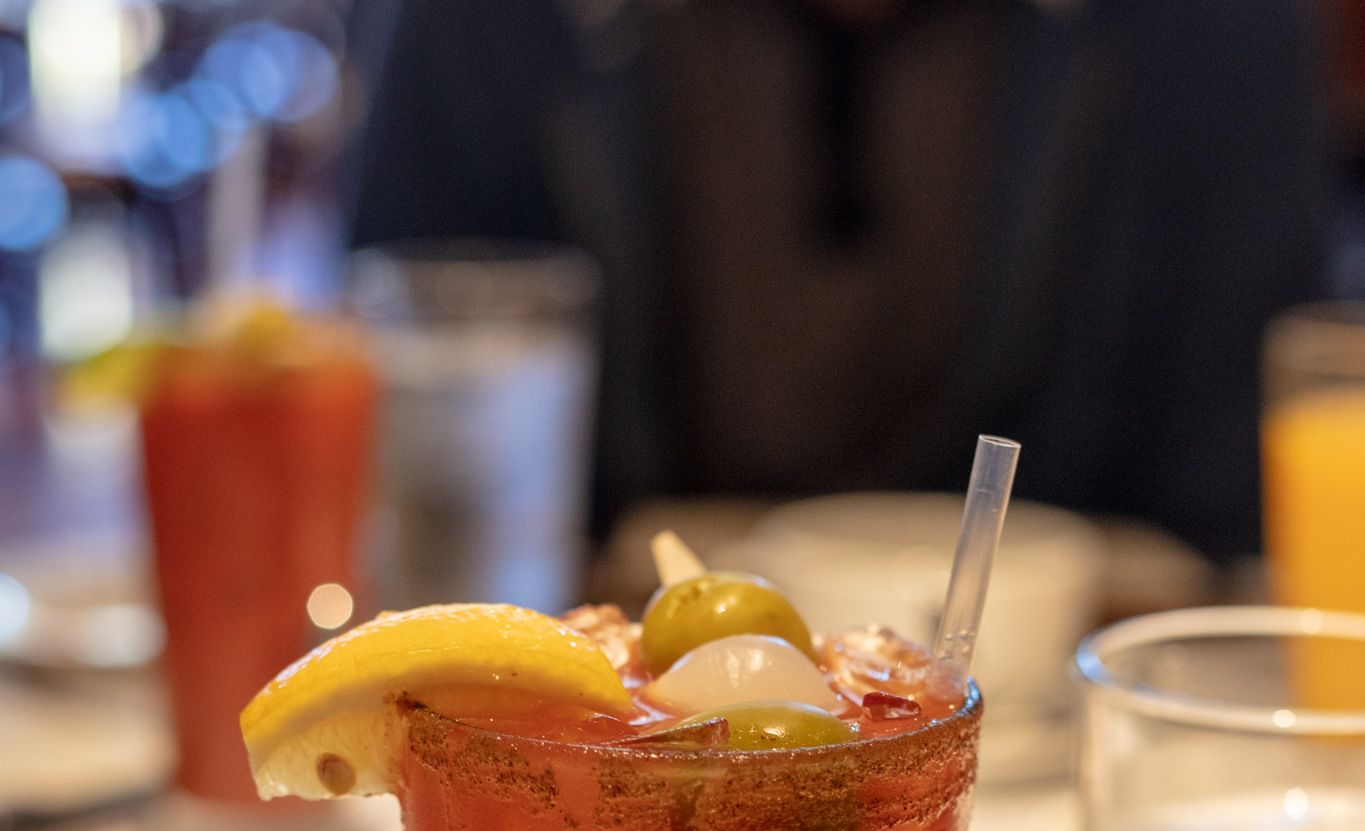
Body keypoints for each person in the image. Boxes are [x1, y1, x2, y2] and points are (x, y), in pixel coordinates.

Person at [349, 0, 1331, 561]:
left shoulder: (1210, 29)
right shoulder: (492, 25)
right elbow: (404, 486)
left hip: (1061, 729)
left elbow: (1233, 518)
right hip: (600, 730)